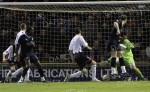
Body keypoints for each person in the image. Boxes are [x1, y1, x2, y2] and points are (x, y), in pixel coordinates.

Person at [107, 14, 129, 79]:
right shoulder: (119, 22)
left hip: (117, 42)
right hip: (112, 42)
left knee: (121, 55)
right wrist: (118, 29)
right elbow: (115, 23)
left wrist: (122, 37)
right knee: (114, 56)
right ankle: (113, 73)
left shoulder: (122, 26)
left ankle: (124, 72)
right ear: (125, 19)